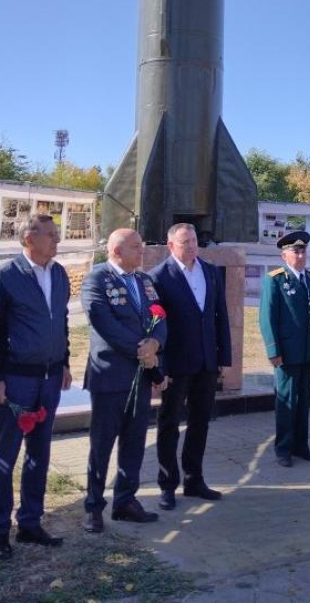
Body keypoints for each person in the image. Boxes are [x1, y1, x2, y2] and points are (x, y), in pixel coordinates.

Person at [0, 214, 72, 559]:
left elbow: (61, 319)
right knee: (6, 453)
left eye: (57, 235)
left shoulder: (59, 273)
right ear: (28, 238)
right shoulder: (7, 275)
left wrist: (64, 360)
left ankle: (31, 523)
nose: (56, 241)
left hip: (49, 378)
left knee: (40, 452)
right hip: (16, 380)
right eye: (50, 235)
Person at [81, 229, 168, 532]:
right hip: (110, 376)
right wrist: (140, 349)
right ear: (116, 251)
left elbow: (160, 317)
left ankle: (125, 501)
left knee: (134, 443)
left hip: (140, 377)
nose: (141, 251)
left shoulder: (144, 281)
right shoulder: (97, 278)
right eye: (135, 247)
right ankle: (93, 505)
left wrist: (155, 344)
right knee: (101, 445)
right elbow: (103, 322)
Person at [149, 223, 231, 509]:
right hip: (176, 363)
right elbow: (156, 325)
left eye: (194, 241)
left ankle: (194, 479)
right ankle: (167, 484)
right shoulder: (158, 277)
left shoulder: (209, 271)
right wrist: (161, 366)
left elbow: (220, 315)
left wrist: (223, 358)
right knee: (169, 423)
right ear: (171, 246)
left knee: (200, 422)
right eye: (185, 243)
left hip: (206, 361)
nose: (192, 247)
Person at [259, 231, 310, 467]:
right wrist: (273, 351)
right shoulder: (275, 280)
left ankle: (302, 445)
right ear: (284, 255)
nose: (300, 255)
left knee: (304, 401)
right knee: (286, 402)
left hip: (309, 352)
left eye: (303, 251)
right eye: (295, 251)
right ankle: (283, 449)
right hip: (287, 354)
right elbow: (267, 318)